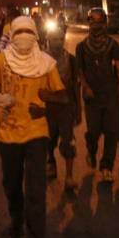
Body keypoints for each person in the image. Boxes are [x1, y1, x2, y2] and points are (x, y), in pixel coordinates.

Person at [0, 16, 67, 238]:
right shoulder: (0, 61)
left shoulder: (46, 63)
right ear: (11, 35)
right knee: (11, 185)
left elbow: (63, 96)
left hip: (37, 134)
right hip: (7, 134)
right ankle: (16, 220)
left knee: (36, 189)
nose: (23, 36)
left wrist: (47, 101)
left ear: (35, 35)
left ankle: (35, 236)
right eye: (19, 32)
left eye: (28, 31)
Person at [76, 8, 119, 183]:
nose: (96, 25)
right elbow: (80, 71)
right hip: (92, 97)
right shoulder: (81, 47)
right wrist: (86, 87)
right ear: (89, 22)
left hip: (111, 94)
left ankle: (107, 167)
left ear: (104, 22)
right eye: (93, 21)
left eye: (99, 21)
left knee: (112, 132)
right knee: (94, 132)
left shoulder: (113, 44)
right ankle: (91, 150)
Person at [45, 27, 80, 190]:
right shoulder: (41, 59)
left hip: (66, 107)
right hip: (47, 108)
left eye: (60, 38)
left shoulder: (71, 60)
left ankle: (69, 177)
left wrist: (79, 110)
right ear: (48, 39)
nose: (57, 42)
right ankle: (50, 162)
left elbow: (75, 86)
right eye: (54, 39)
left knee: (68, 142)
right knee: (48, 141)